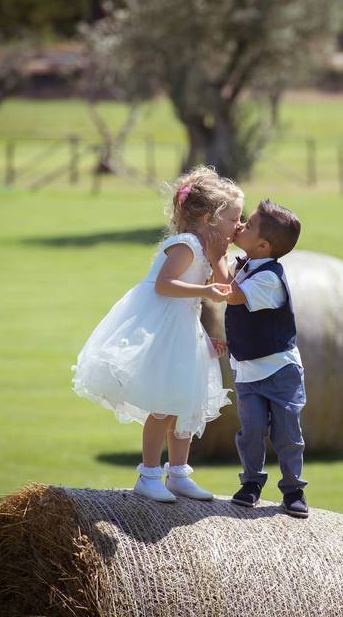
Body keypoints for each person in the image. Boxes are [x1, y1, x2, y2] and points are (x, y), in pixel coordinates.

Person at [72, 166, 243, 502]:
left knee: (185, 405)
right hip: (162, 329)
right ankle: (149, 474)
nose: (237, 226)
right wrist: (206, 291)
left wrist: (221, 254)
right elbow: (165, 285)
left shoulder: (207, 247)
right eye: (234, 219)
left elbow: (224, 285)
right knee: (162, 407)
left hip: (183, 328)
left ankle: (178, 473)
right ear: (209, 217)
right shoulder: (186, 244)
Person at [220, 200, 309, 518]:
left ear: (263, 245)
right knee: (252, 430)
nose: (240, 225)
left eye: (249, 224)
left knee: (287, 432)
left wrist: (217, 248)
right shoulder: (244, 264)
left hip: (279, 370)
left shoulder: (269, 277)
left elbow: (231, 295)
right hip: (246, 370)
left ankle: (293, 489)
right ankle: (252, 483)